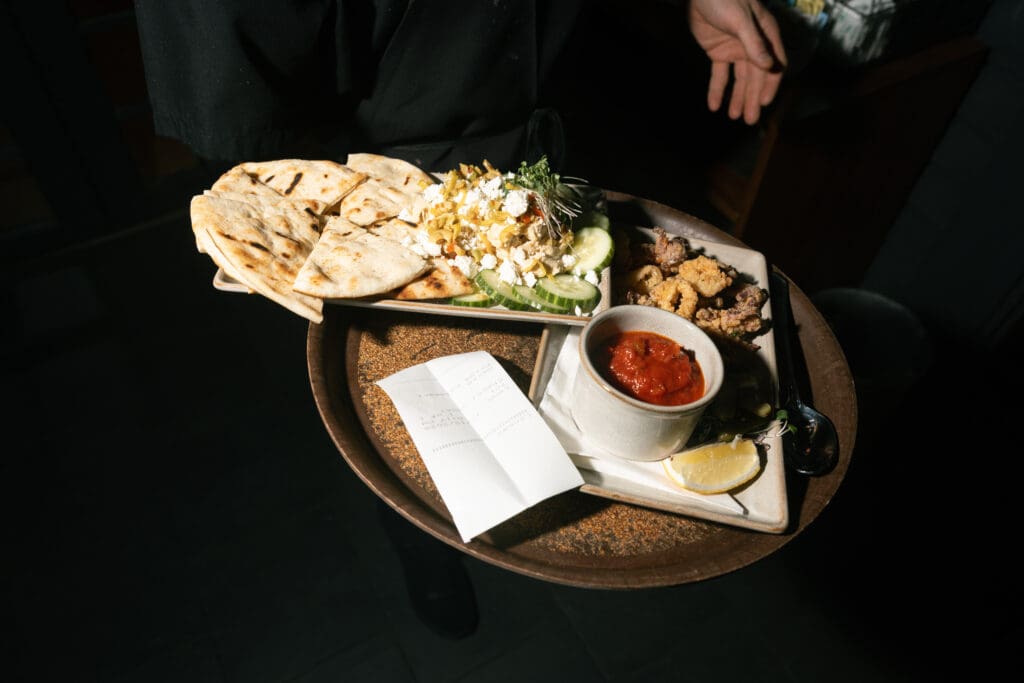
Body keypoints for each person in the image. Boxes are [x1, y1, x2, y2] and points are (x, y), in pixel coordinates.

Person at [133, 0, 786, 640]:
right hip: (386, 149)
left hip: (574, 101)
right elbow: (228, 67)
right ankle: (425, 547)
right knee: (400, 417)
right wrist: (295, 184)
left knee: (553, 384)